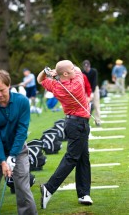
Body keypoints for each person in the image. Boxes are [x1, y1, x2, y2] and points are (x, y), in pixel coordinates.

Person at [37, 60, 93, 209]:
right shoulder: (77, 82)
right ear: (67, 74)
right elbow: (78, 69)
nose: (74, 71)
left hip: (71, 123)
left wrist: (47, 71)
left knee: (83, 158)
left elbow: (40, 79)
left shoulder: (56, 86)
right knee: (72, 158)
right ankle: (49, 188)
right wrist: (57, 72)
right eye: (71, 71)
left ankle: (83, 193)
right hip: (79, 124)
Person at [0, 70, 38, 215]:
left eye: (1, 90)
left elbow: (22, 130)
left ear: (9, 86)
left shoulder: (22, 101)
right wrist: (3, 160)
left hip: (18, 150)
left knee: (22, 187)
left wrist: (13, 156)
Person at [82, 60, 101, 126]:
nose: (86, 68)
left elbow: (94, 82)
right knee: (86, 106)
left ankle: (98, 121)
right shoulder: (83, 73)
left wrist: (92, 92)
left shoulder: (94, 71)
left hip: (94, 89)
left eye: (87, 67)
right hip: (86, 90)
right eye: (85, 67)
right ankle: (86, 122)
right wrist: (87, 93)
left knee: (96, 104)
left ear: (89, 66)